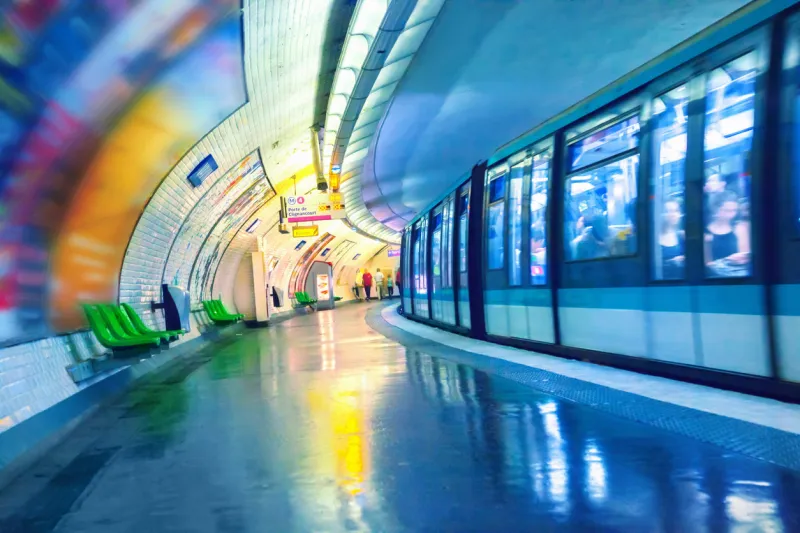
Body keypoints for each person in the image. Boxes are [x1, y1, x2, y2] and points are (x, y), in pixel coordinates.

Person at [705, 190, 750, 275]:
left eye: (734, 210)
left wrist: (738, 259)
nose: (731, 214)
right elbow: (706, 264)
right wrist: (725, 261)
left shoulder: (740, 228)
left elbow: (745, 258)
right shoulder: (706, 232)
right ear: (715, 209)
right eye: (727, 211)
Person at [659, 199, 685, 279]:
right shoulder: (654, 238)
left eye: (676, 211)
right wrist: (672, 262)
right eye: (669, 211)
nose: (673, 214)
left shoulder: (682, 236)